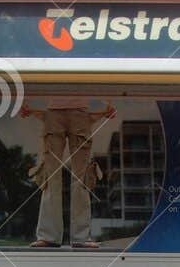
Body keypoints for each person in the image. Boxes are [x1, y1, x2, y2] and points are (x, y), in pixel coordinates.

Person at [21, 97, 115, 247]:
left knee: (81, 178)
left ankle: (80, 237)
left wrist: (109, 103)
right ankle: (49, 236)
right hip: (54, 112)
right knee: (51, 177)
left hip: (79, 112)